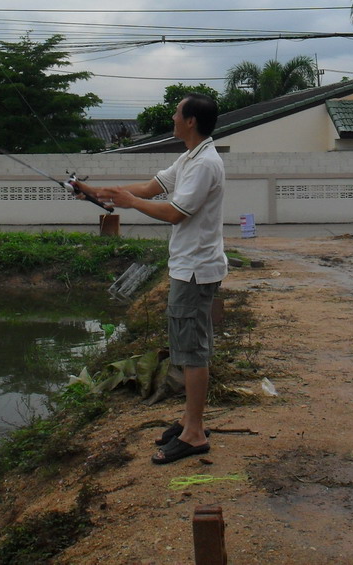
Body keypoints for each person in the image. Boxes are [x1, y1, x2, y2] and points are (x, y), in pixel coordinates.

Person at [75, 93, 227, 465]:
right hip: (186, 266)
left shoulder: (206, 163)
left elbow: (175, 212)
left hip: (196, 269)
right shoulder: (190, 156)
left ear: (190, 121)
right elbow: (148, 189)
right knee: (185, 346)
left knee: (193, 351)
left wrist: (129, 202)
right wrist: (94, 191)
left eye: (177, 113)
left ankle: (194, 435)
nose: (173, 117)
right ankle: (189, 421)